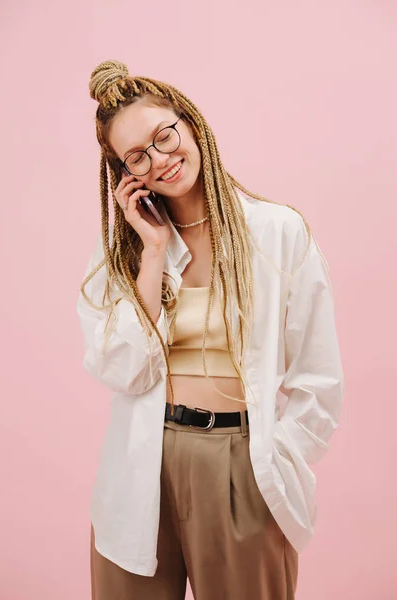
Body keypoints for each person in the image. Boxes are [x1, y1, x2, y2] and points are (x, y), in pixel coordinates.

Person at [77, 59, 344, 600]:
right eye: (137, 156)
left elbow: (319, 381)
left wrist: (271, 461)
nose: (160, 159)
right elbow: (122, 371)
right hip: (141, 466)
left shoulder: (278, 233)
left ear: (191, 124)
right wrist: (152, 253)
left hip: (241, 463)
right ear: (124, 173)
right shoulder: (121, 254)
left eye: (164, 135)